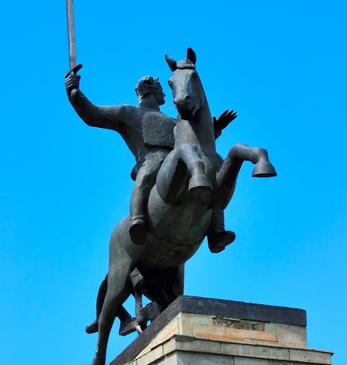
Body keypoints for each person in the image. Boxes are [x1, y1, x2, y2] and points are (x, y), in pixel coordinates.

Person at [65, 69, 235, 250]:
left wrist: (214, 129)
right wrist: (74, 93)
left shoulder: (174, 122)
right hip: (152, 161)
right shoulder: (128, 113)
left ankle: (216, 232)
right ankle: (138, 221)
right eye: (161, 88)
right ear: (150, 88)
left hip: (179, 163)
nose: (164, 93)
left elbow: (192, 142)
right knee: (145, 178)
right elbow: (93, 114)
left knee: (208, 173)